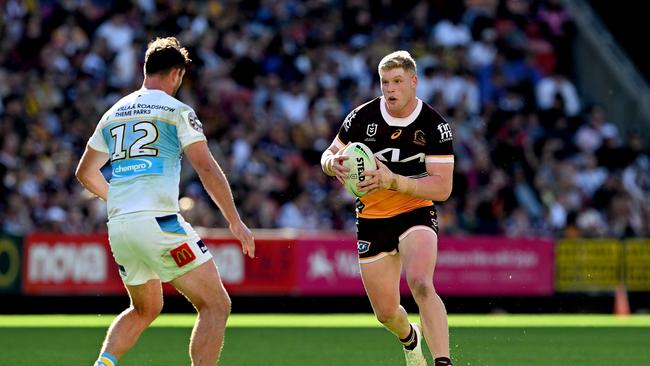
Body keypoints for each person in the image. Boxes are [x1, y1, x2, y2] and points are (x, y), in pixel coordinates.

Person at [75, 36, 255, 366]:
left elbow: (85, 172)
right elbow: (205, 165)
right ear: (176, 74)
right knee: (215, 304)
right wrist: (234, 219)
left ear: (145, 70)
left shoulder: (114, 112)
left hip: (120, 226)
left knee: (145, 308)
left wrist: (118, 199)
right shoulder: (176, 110)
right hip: (159, 222)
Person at [321, 50, 455, 366]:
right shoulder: (361, 117)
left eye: (397, 81)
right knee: (385, 313)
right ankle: (410, 339)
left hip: (415, 210)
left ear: (414, 82)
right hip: (372, 217)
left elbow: (443, 187)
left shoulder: (434, 126)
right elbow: (329, 154)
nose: (390, 89)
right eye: (384, 82)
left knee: (421, 282)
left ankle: (443, 361)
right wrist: (332, 164)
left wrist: (394, 181)